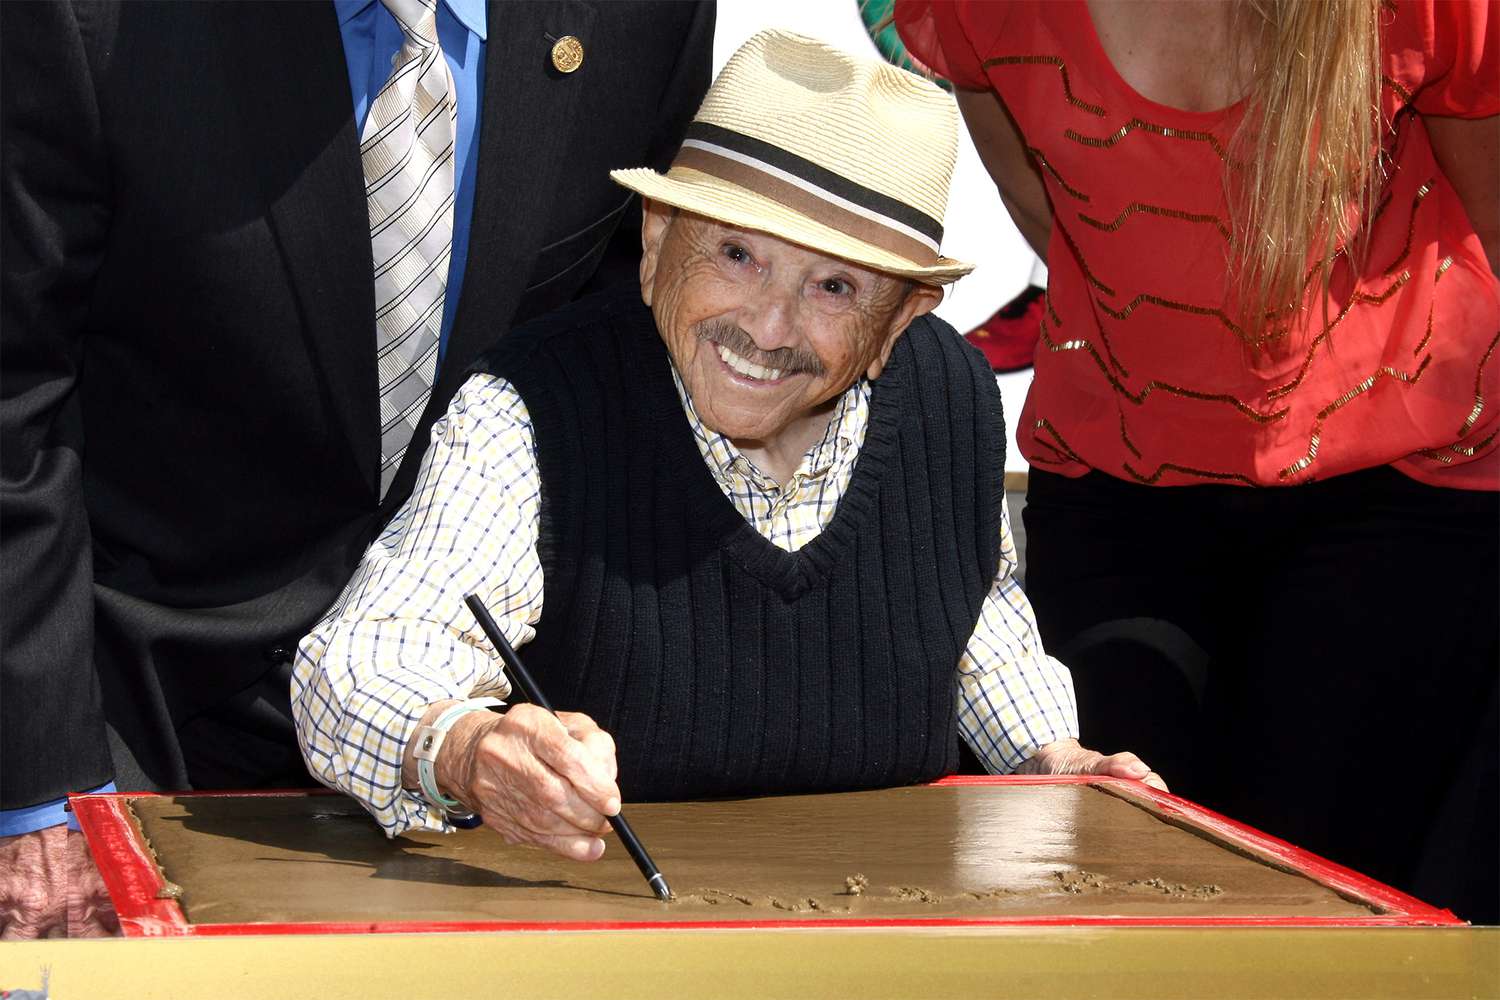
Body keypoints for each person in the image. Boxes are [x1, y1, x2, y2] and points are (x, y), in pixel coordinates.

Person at [292, 29, 1164, 859]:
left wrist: (1054, 760)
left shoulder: (951, 399)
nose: (767, 327)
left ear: (900, 321)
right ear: (655, 241)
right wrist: (468, 750)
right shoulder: (534, 404)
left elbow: (977, 626)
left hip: (885, 938)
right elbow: (356, 670)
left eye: (833, 286)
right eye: (738, 255)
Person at [0, 0, 714, 938]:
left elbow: (619, 340)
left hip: (477, 737)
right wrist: (38, 796)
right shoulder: (85, 20)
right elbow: (14, 393)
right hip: (130, 701)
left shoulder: (642, 18)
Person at [895, 0, 1498, 920]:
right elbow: (1051, 213)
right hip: (1117, 474)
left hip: (1399, 479)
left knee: (1322, 910)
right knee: (1116, 894)